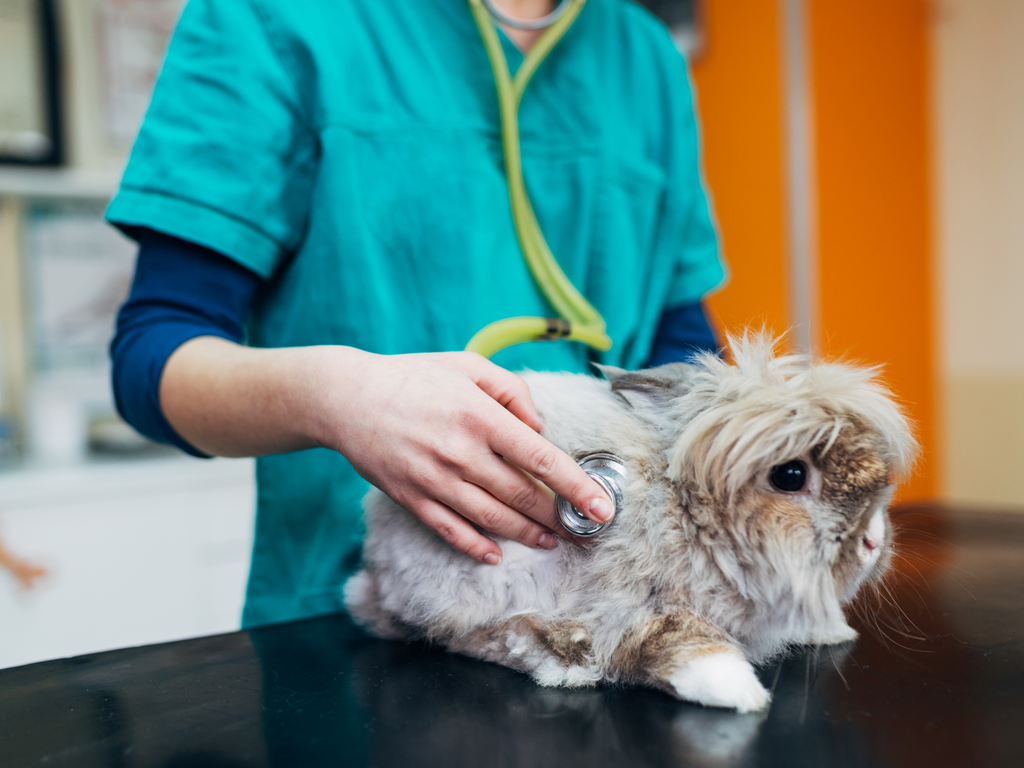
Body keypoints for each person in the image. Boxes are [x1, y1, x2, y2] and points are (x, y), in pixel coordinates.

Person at [107, 0, 726, 628]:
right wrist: (336, 397)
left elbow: (680, 354)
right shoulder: (271, 16)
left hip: (617, 612)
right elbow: (151, 359)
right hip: (364, 622)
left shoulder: (644, 54)